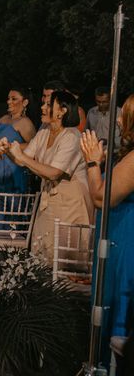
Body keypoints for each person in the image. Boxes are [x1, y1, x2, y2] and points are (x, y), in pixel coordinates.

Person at [0, 91, 93, 263]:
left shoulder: (71, 136)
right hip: (48, 200)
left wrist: (21, 156)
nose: (42, 107)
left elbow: (53, 172)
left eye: (48, 105)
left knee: (62, 256)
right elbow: (23, 159)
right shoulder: (44, 132)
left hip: (70, 203)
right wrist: (9, 151)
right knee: (42, 249)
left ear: (62, 111)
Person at [80, 94, 134, 368]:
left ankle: (109, 365)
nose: (120, 118)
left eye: (125, 113)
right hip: (122, 235)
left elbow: (102, 197)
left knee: (117, 300)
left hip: (126, 242)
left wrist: (93, 162)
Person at [0, 89, 36, 228]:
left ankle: (5, 245)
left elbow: (35, 145)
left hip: (8, 170)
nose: (9, 101)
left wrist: (10, 146)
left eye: (14, 99)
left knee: (6, 208)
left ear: (25, 102)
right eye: (8, 98)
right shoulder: (4, 118)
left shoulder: (25, 122)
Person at [86, 86, 122, 154]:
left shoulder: (119, 113)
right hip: (95, 152)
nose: (101, 104)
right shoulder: (91, 112)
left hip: (114, 153)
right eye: (98, 101)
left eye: (104, 102)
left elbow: (125, 136)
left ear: (110, 100)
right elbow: (87, 131)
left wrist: (108, 141)